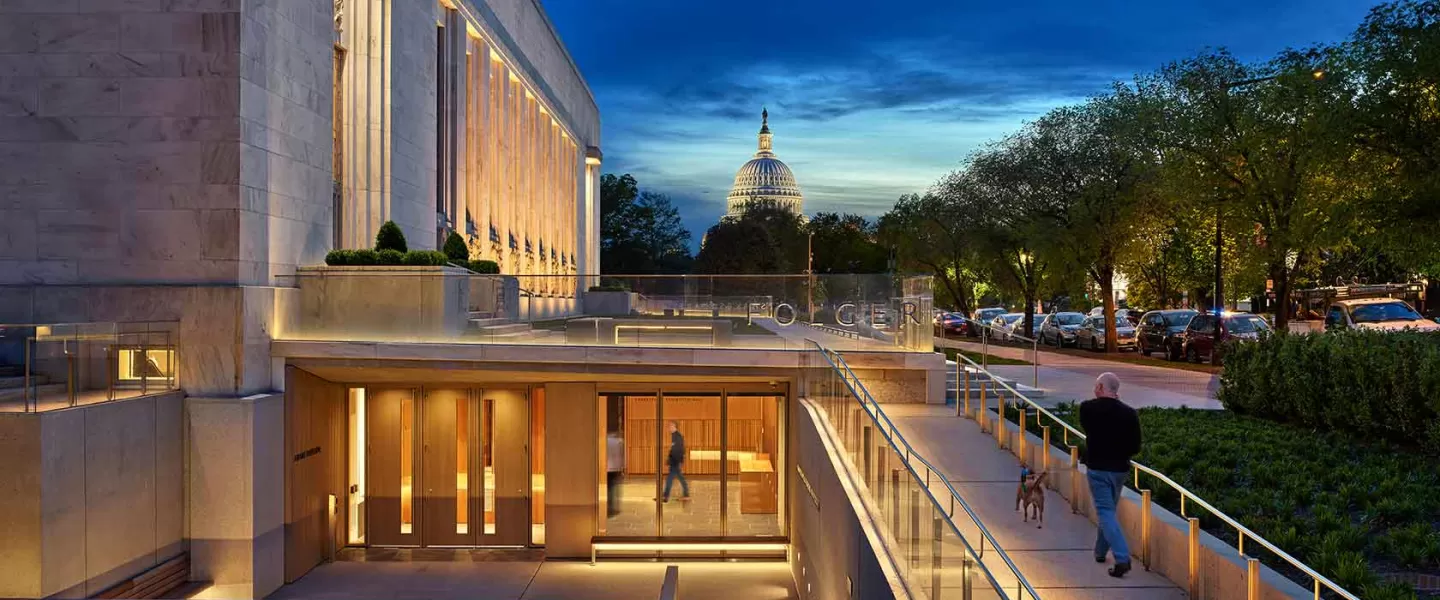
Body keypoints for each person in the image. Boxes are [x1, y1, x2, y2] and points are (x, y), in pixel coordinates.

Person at [1079, 372, 1141, 578]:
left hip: (1097, 469)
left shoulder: (1087, 409)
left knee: (1105, 512)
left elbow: (1089, 430)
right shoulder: (1130, 414)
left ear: (1099, 388)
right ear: (1116, 391)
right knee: (1108, 512)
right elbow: (1135, 447)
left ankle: (1122, 558)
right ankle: (1100, 551)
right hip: (1119, 470)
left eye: (1096, 386)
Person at [662, 421, 690, 502]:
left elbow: (681, 449)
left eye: (671, 426)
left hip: (675, 461)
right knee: (681, 478)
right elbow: (673, 449)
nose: (669, 428)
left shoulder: (678, 436)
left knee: (670, 478)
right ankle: (686, 495)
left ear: (674, 426)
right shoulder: (674, 436)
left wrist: (679, 462)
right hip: (674, 461)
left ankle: (665, 496)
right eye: (669, 426)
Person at [606, 431, 625, 517]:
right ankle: (613, 505)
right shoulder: (619, 442)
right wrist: (623, 467)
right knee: (614, 487)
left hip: (606, 468)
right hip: (616, 467)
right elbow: (622, 456)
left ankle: (609, 505)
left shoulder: (604, 441)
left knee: (609, 487)